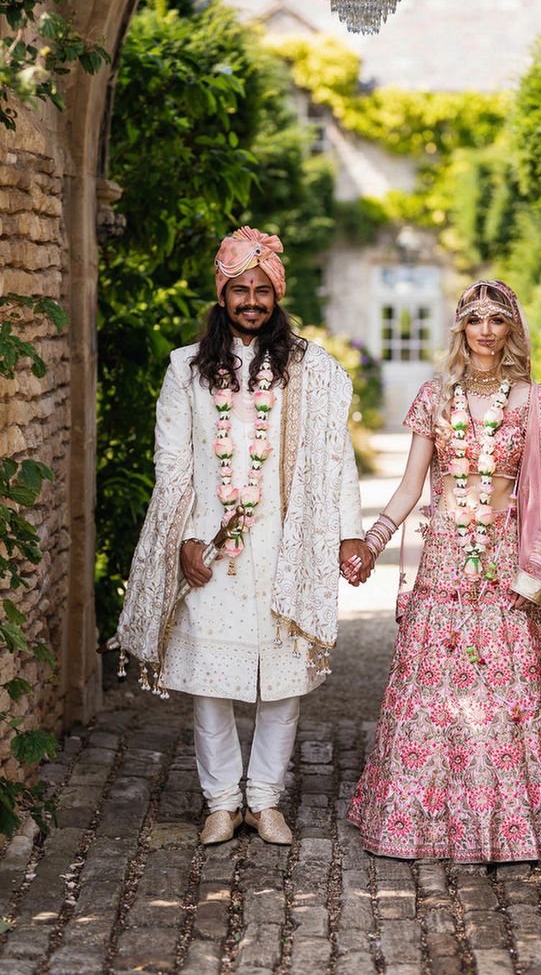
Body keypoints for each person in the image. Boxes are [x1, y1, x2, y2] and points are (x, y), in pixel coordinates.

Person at [115, 226, 372, 845]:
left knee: (280, 678)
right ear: (222, 295)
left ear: (276, 296)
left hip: (286, 546)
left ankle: (266, 799)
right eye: (239, 289)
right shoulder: (185, 369)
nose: (250, 300)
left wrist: (345, 535)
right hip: (211, 544)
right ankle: (221, 802)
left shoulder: (311, 370)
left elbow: (334, 458)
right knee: (211, 680)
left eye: (261, 290)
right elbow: (171, 461)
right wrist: (184, 540)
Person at [347, 279, 541, 862]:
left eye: (497, 319)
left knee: (512, 681)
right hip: (445, 558)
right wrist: (374, 541)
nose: (485, 330)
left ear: (512, 329)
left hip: (505, 557)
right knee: (438, 684)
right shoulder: (435, 397)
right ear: (462, 329)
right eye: (475, 319)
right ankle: (420, 821)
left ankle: (512, 821)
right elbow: (411, 484)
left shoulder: (537, 401)